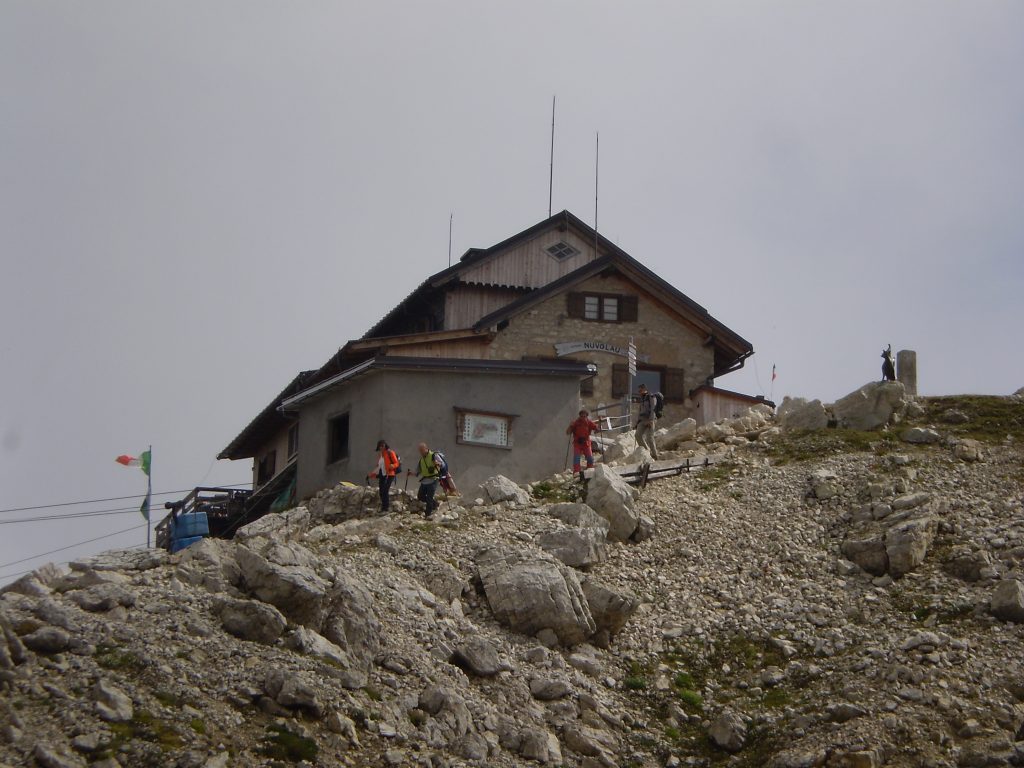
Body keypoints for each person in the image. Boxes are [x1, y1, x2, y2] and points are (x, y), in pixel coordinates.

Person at [566, 408, 599, 482]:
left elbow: (596, 428)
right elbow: (568, 432)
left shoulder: (589, 422)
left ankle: (589, 470)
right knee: (577, 458)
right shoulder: (576, 423)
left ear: (587, 416)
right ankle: (576, 472)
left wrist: (597, 427)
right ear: (579, 416)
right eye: (582, 416)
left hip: (586, 442)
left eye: (584, 416)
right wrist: (570, 426)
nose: (583, 418)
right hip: (577, 443)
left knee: (590, 457)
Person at [409, 442, 441, 518]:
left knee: (429, 497)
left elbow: (441, 464)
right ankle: (435, 504)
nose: (421, 452)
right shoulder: (421, 460)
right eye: (420, 451)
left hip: (433, 479)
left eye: (422, 450)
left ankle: (428, 514)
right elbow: (417, 472)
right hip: (425, 480)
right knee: (420, 496)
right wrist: (411, 473)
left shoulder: (434, 455)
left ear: (426, 448)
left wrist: (437, 463)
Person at [367, 440, 399, 512]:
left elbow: (397, 463)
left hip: (390, 474)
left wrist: (393, 465)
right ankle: (383, 507)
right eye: (380, 446)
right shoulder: (381, 455)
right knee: (381, 492)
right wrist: (371, 474)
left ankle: (386, 508)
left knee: (385, 490)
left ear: (385, 445)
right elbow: (379, 467)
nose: (381, 447)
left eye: (382, 446)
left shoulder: (390, 452)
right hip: (382, 475)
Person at [635, 383, 660, 460]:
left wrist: (651, 420)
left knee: (650, 438)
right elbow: (640, 411)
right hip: (642, 420)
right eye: (639, 391)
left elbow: (653, 409)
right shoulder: (642, 399)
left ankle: (655, 455)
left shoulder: (651, 397)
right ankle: (647, 451)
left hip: (650, 419)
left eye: (640, 390)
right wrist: (637, 423)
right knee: (637, 435)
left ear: (645, 389)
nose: (639, 392)